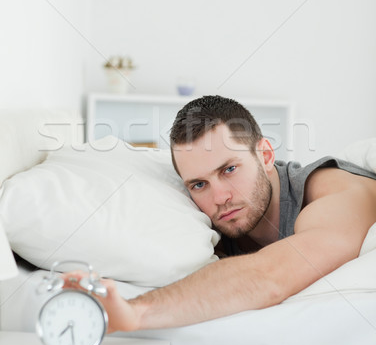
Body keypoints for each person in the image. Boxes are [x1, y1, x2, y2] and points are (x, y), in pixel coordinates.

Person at [63, 95, 376, 332]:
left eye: (229, 169)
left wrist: (137, 312)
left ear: (266, 155)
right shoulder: (210, 229)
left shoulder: (333, 194)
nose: (220, 198)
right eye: (199, 184)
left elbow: (269, 277)